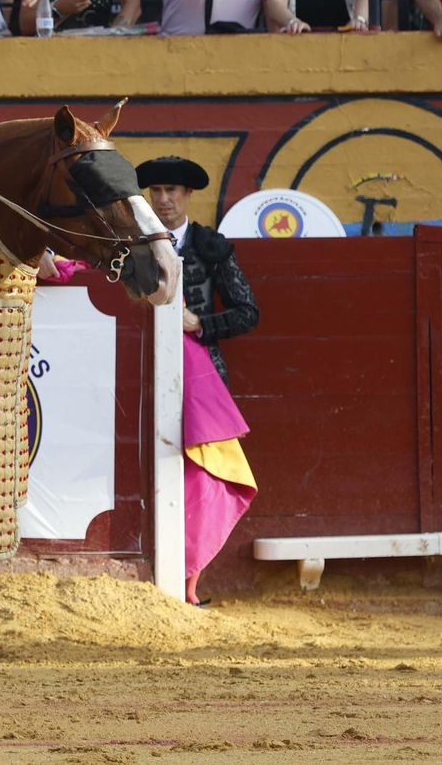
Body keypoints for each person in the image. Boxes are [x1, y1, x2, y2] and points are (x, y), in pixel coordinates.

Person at [134, 154, 259, 607]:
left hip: (201, 379)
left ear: (188, 196)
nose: (163, 200)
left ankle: (188, 582)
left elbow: (249, 313)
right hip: (143, 376)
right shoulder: (134, 244)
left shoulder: (211, 246)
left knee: (196, 477)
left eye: (172, 192)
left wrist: (199, 323)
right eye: (156, 192)